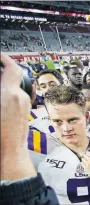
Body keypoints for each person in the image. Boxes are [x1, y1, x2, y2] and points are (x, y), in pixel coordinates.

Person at [0, 53, 59, 205]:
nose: (48, 90)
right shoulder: (26, 116)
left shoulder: (84, 112)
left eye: (52, 84)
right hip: (39, 184)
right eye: (43, 86)